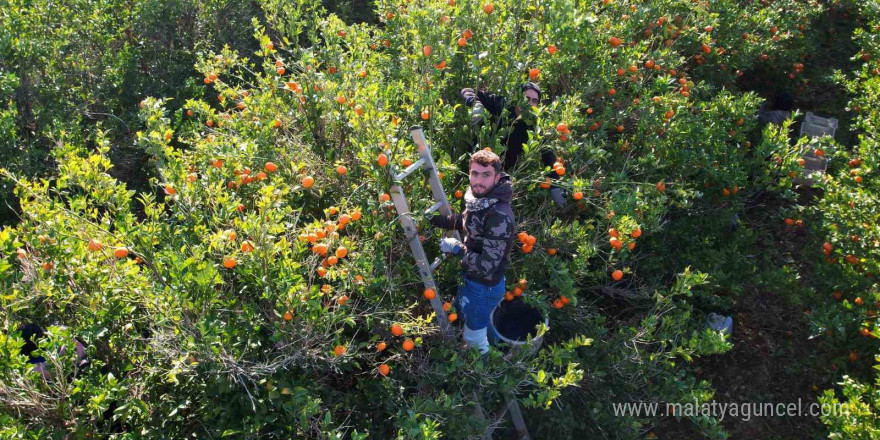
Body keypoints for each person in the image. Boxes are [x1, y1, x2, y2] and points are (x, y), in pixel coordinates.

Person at [428, 149, 515, 354]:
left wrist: (457, 249)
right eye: (474, 174)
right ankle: (500, 350)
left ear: (497, 177)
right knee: (484, 323)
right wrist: (434, 221)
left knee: (473, 339)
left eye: (486, 175)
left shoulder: (498, 216)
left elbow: (486, 266)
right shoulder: (479, 201)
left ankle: (484, 376)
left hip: (484, 286)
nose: (479, 180)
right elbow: (467, 222)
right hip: (477, 281)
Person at [461, 82, 567, 207]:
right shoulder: (503, 105)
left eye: (534, 101)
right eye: (526, 99)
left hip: (498, 176)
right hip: (475, 163)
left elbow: (548, 155)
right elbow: (468, 90)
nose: (530, 104)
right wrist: (475, 103)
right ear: (518, 97)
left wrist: (555, 186)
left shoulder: (534, 125)